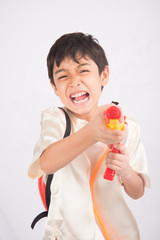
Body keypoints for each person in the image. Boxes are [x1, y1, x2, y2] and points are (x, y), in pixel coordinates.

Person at [28, 32, 150, 240]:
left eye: (83, 70)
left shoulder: (127, 128)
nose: (75, 82)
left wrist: (125, 170)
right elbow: (47, 163)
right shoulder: (56, 119)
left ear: (103, 75)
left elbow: (137, 191)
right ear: (54, 87)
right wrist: (93, 132)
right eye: (63, 76)